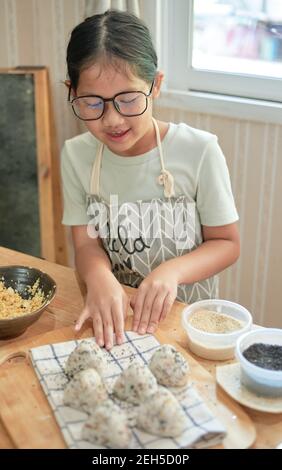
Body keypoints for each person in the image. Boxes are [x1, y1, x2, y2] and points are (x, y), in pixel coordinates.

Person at [61, 9, 240, 350]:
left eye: (128, 99)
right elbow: (86, 244)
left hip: (186, 326)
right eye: (92, 103)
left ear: (155, 85)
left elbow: (228, 244)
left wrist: (170, 272)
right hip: (116, 321)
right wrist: (98, 276)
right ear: (72, 92)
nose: (112, 119)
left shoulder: (199, 151)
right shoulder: (76, 155)